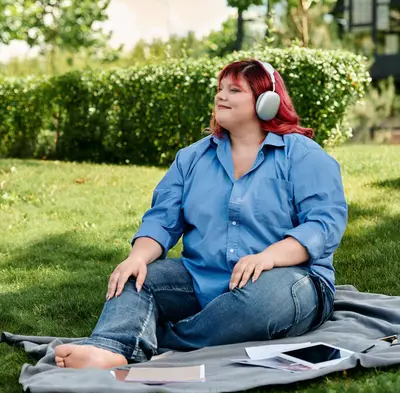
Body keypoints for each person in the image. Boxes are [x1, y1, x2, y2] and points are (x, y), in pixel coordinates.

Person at [55, 58, 348, 369]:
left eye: (234, 90)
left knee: (261, 304)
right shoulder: (191, 158)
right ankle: (110, 347)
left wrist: (269, 257)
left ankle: (155, 339)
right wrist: (138, 257)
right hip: (201, 277)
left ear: (267, 101)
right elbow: (161, 220)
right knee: (136, 277)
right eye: (219, 89)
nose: (221, 96)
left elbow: (323, 224)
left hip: (288, 281)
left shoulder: (302, 155)